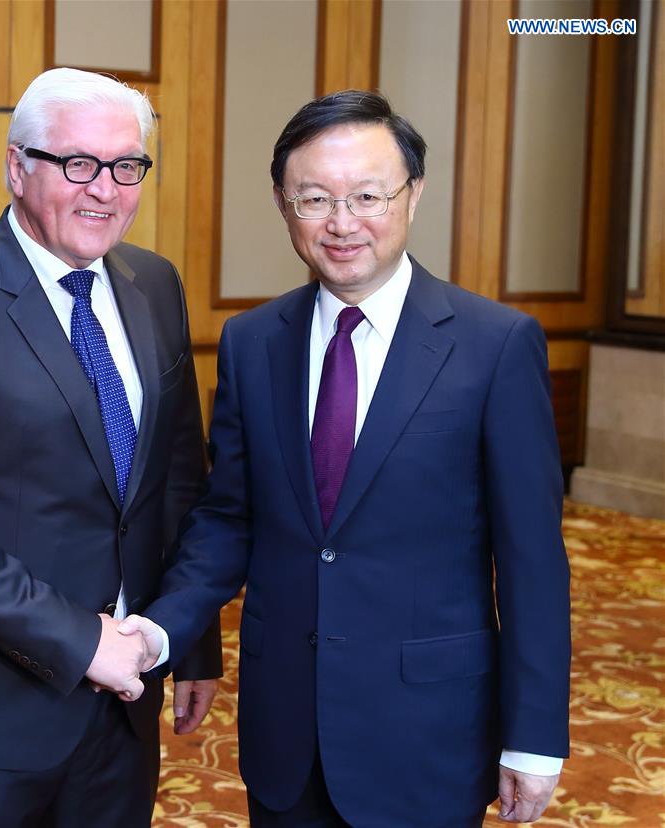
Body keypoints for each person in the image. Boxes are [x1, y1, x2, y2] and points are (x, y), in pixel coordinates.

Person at [121, 91, 571, 827]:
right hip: (285, 729)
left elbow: (532, 561)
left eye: (367, 196)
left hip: (427, 731)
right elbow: (229, 518)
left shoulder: (494, 346)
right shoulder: (252, 342)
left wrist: (534, 736)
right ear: (282, 204)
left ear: (413, 194)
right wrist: (163, 627)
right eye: (314, 199)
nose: (341, 223)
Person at [0, 67, 221, 828]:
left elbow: (178, 484)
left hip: (126, 699)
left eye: (126, 166)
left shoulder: (155, 284)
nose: (105, 190)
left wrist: (190, 643)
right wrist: (81, 640)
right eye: (78, 163)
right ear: (17, 166)